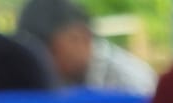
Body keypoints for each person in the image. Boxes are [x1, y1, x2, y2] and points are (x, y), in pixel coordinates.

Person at [15, 0, 157, 96]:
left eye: (50, 50)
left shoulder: (131, 85)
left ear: (83, 36)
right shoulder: (43, 79)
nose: (42, 60)